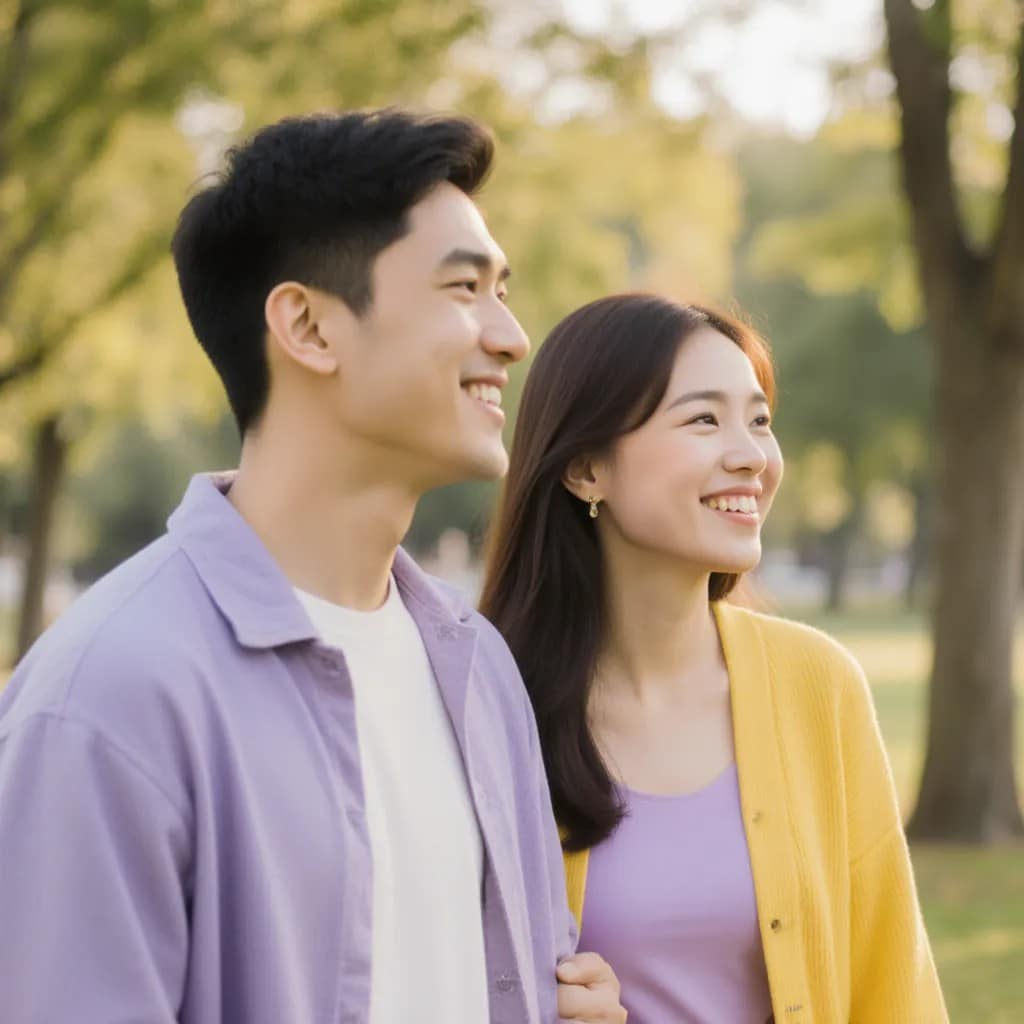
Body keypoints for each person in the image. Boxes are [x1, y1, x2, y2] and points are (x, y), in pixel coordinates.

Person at [0, 110, 624, 1024]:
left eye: (504, 290)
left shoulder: (477, 666)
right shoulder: (108, 698)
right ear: (308, 326)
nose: (512, 336)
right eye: (465, 288)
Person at [480, 293, 947, 1023]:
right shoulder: (490, 705)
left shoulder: (817, 686)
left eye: (760, 421)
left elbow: (895, 989)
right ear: (585, 470)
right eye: (704, 420)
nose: (752, 457)